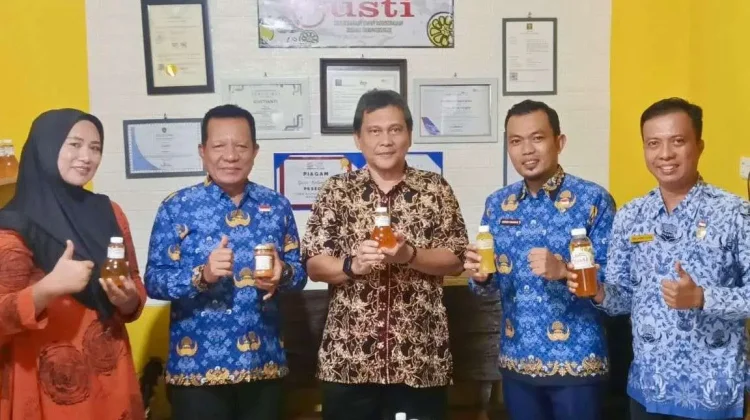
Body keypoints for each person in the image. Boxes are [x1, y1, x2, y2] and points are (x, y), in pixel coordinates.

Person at [567, 97, 750, 420]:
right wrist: (597, 290)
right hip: (648, 388)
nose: (665, 154)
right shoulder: (631, 215)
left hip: (713, 390)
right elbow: (622, 299)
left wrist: (702, 297)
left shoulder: (735, 213)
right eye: (653, 143)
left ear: (699, 146)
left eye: (677, 141)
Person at [301, 89, 468, 420]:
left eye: (395, 129)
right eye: (374, 131)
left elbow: (456, 258)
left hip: (420, 359)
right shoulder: (336, 191)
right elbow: (314, 264)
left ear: (409, 135)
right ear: (358, 139)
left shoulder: (435, 189)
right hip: (348, 360)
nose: (386, 141)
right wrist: (353, 265)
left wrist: (409, 255)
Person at [144, 104, 306, 420]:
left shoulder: (276, 206)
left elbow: (299, 273)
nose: (230, 156)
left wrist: (283, 273)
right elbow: (153, 281)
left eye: (241, 146)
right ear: (202, 151)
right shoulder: (177, 207)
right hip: (196, 370)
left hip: (263, 364)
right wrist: (201, 275)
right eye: (219, 146)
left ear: (255, 151)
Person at [464, 100, 616, 420]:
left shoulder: (593, 199)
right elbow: (486, 287)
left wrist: (564, 270)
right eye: (516, 141)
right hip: (517, 359)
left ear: (559, 142)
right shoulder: (497, 204)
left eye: (537, 138)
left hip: (577, 362)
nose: (527, 150)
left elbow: (613, 284)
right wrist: (480, 277)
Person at [0, 109, 147, 419]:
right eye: (75, 144)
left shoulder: (110, 212)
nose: (86, 157)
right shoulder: (13, 224)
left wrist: (129, 299)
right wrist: (47, 289)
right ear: (46, 145)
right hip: (46, 382)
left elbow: (133, 279)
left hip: (110, 375)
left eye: (95, 148)